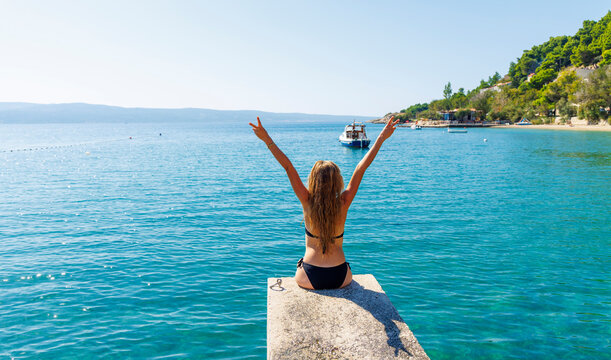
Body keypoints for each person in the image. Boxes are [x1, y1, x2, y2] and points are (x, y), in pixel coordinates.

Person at [249, 116, 399, 289]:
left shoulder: (306, 200)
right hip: (340, 275)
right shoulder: (344, 202)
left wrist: (267, 139)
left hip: (309, 276)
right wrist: (381, 138)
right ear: (337, 180)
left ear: (313, 180)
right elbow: (361, 168)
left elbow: (288, 167)